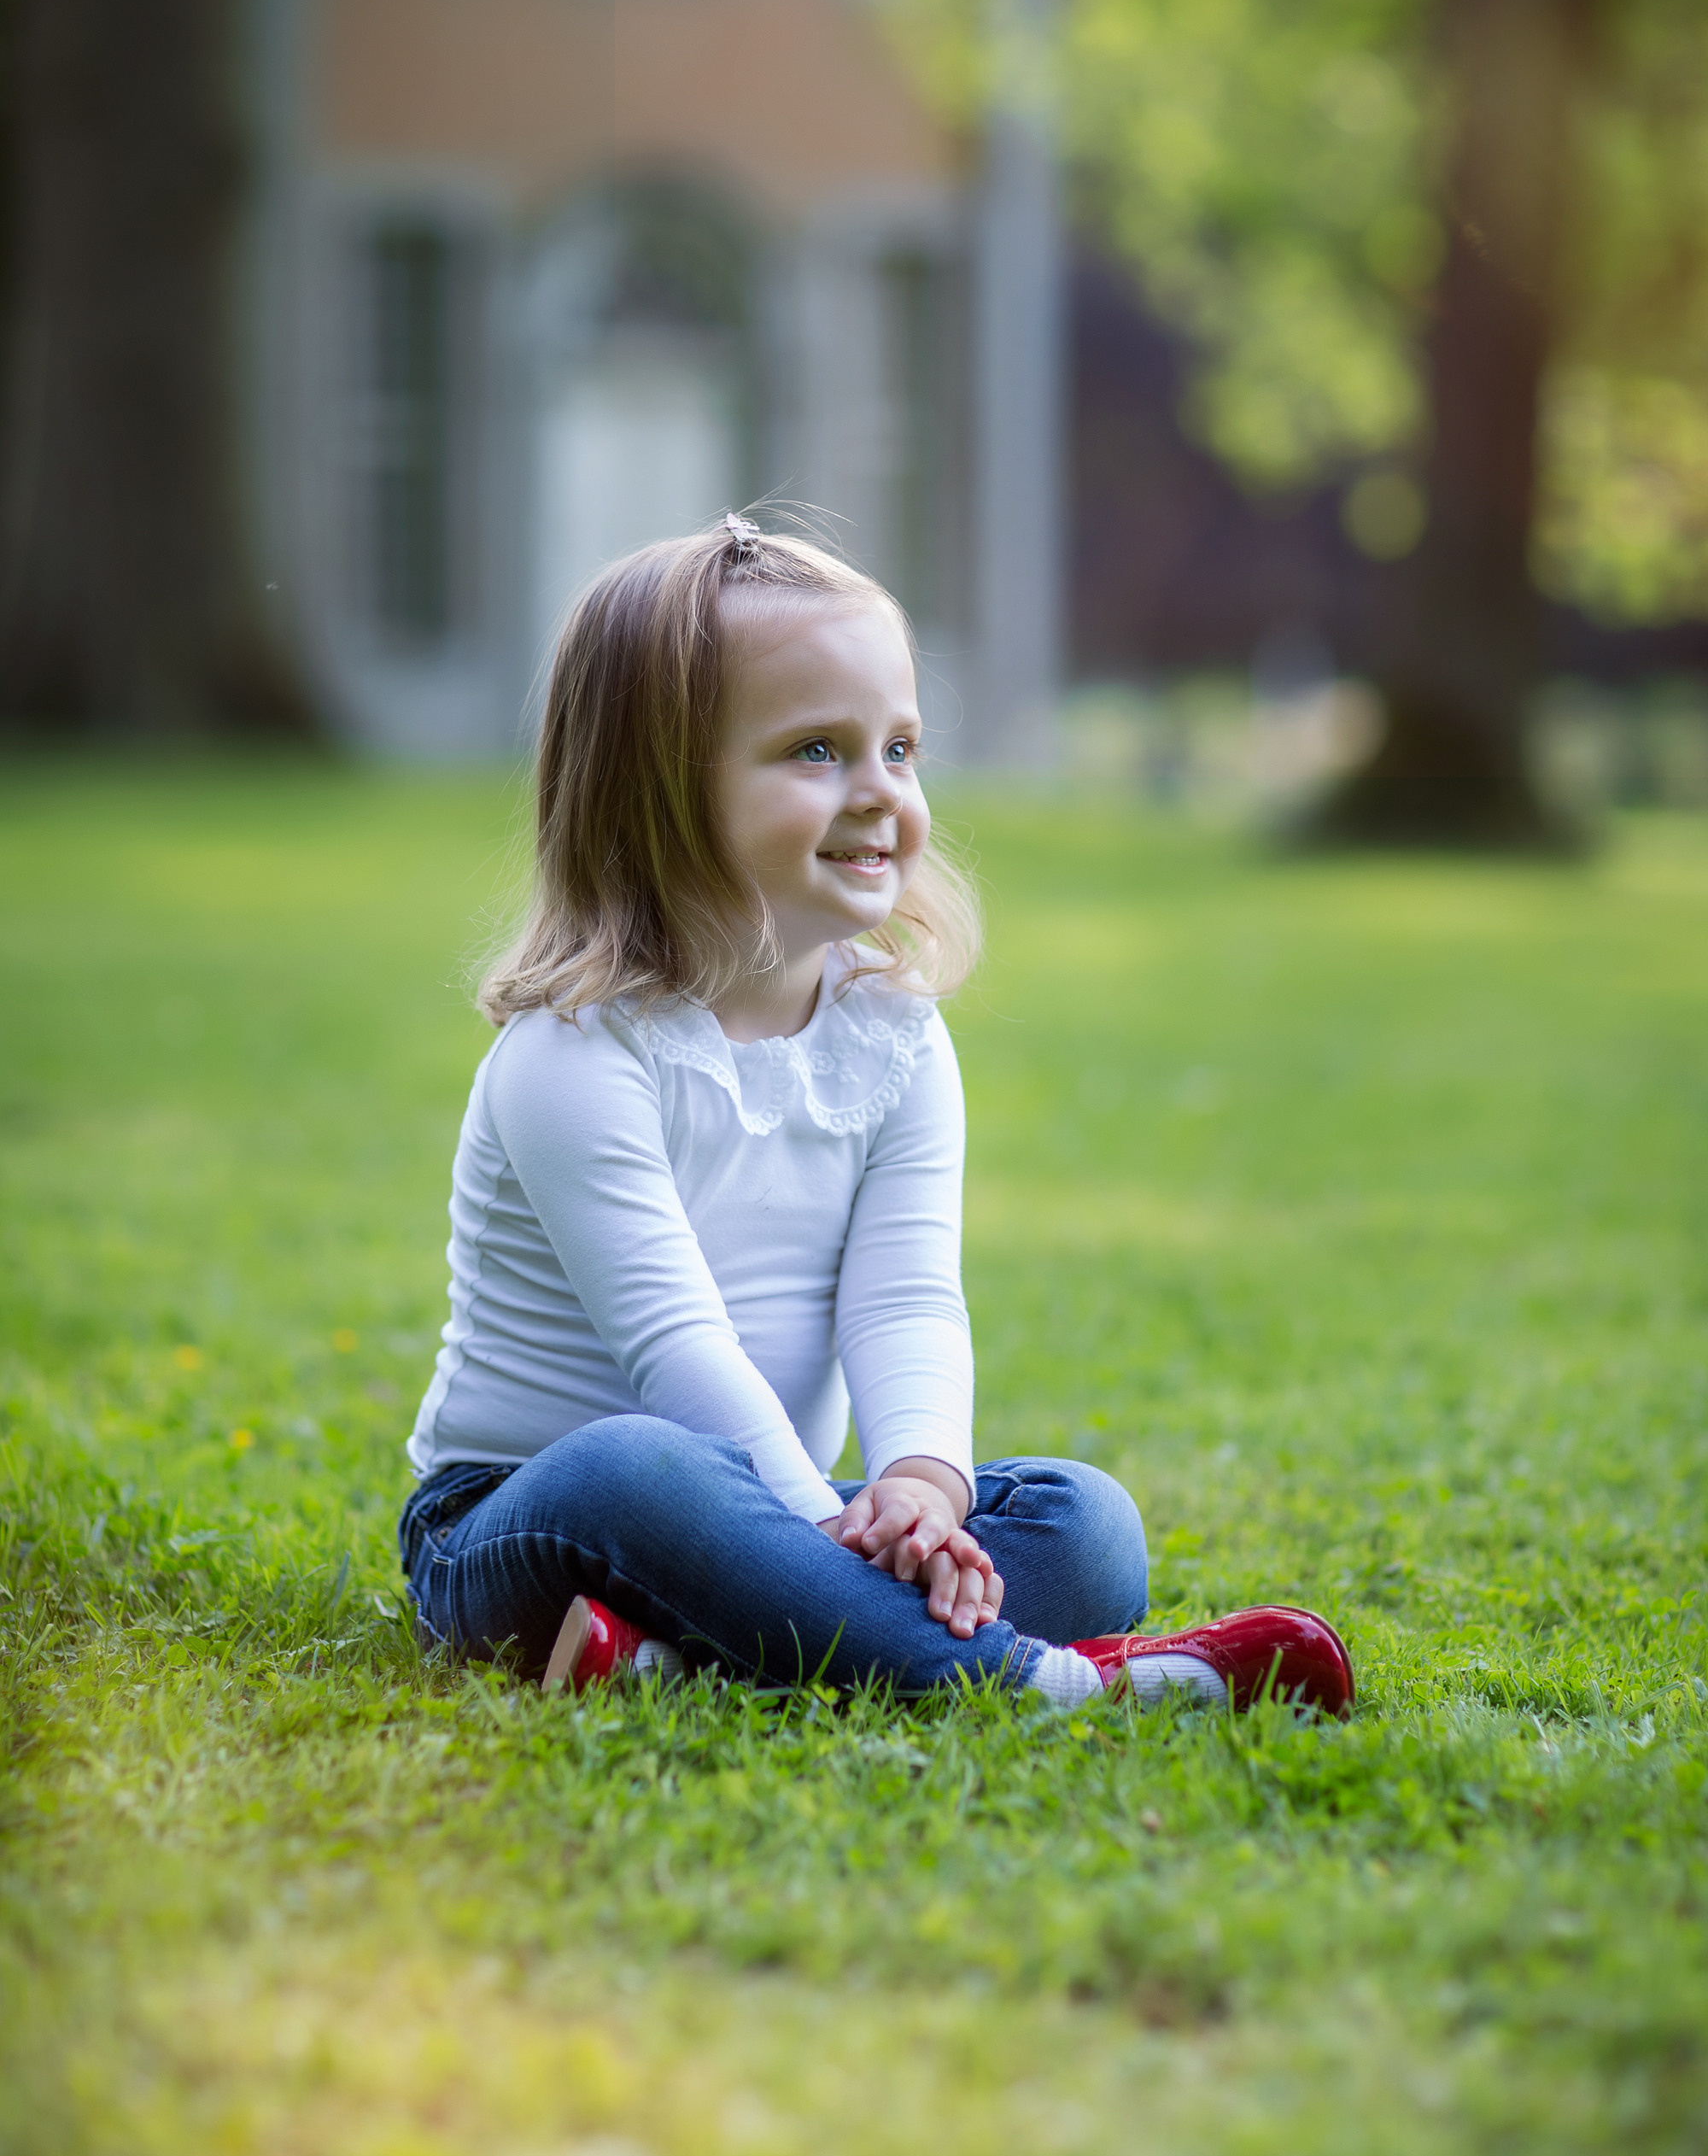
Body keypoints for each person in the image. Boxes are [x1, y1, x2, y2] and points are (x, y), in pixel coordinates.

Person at [398, 518, 1352, 1716]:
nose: (880, 795)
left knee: (1086, 1526)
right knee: (637, 1464)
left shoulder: (892, 1033)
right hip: (526, 1526)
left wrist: (919, 1489)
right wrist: (821, 1527)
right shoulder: (575, 1056)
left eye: (899, 749)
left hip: (781, 1504)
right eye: (816, 751)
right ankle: (1046, 1689)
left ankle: (688, 1656)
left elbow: (904, 1295)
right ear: (654, 787)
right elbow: (674, 1354)